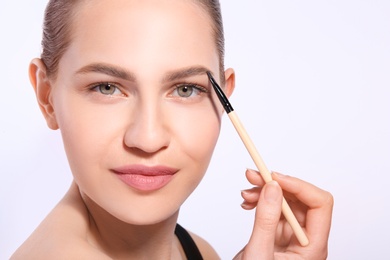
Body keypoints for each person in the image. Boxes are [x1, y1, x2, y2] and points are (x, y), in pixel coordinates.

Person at [11, 0, 333, 259]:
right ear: (46, 96)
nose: (148, 138)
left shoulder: (197, 250)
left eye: (184, 90)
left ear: (223, 98)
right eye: (107, 87)